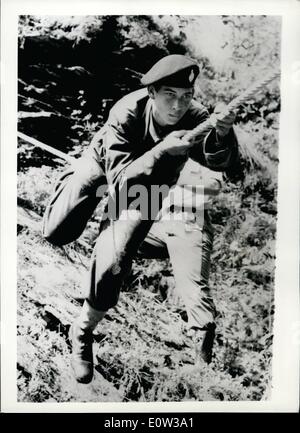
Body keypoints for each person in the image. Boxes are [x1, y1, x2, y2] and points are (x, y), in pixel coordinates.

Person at [43, 54, 243, 384]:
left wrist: (222, 135)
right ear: (151, 94)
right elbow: (119, 179)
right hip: (106, 165)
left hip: (148, 188)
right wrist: (161, 151)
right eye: (169, 96)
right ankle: (68, 181)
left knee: (114, 259)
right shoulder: (125, 112)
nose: (178, 106)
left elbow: (219, 161)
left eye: (186, 96)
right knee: (56, 232)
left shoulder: (195, 116)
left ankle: (81, 330)